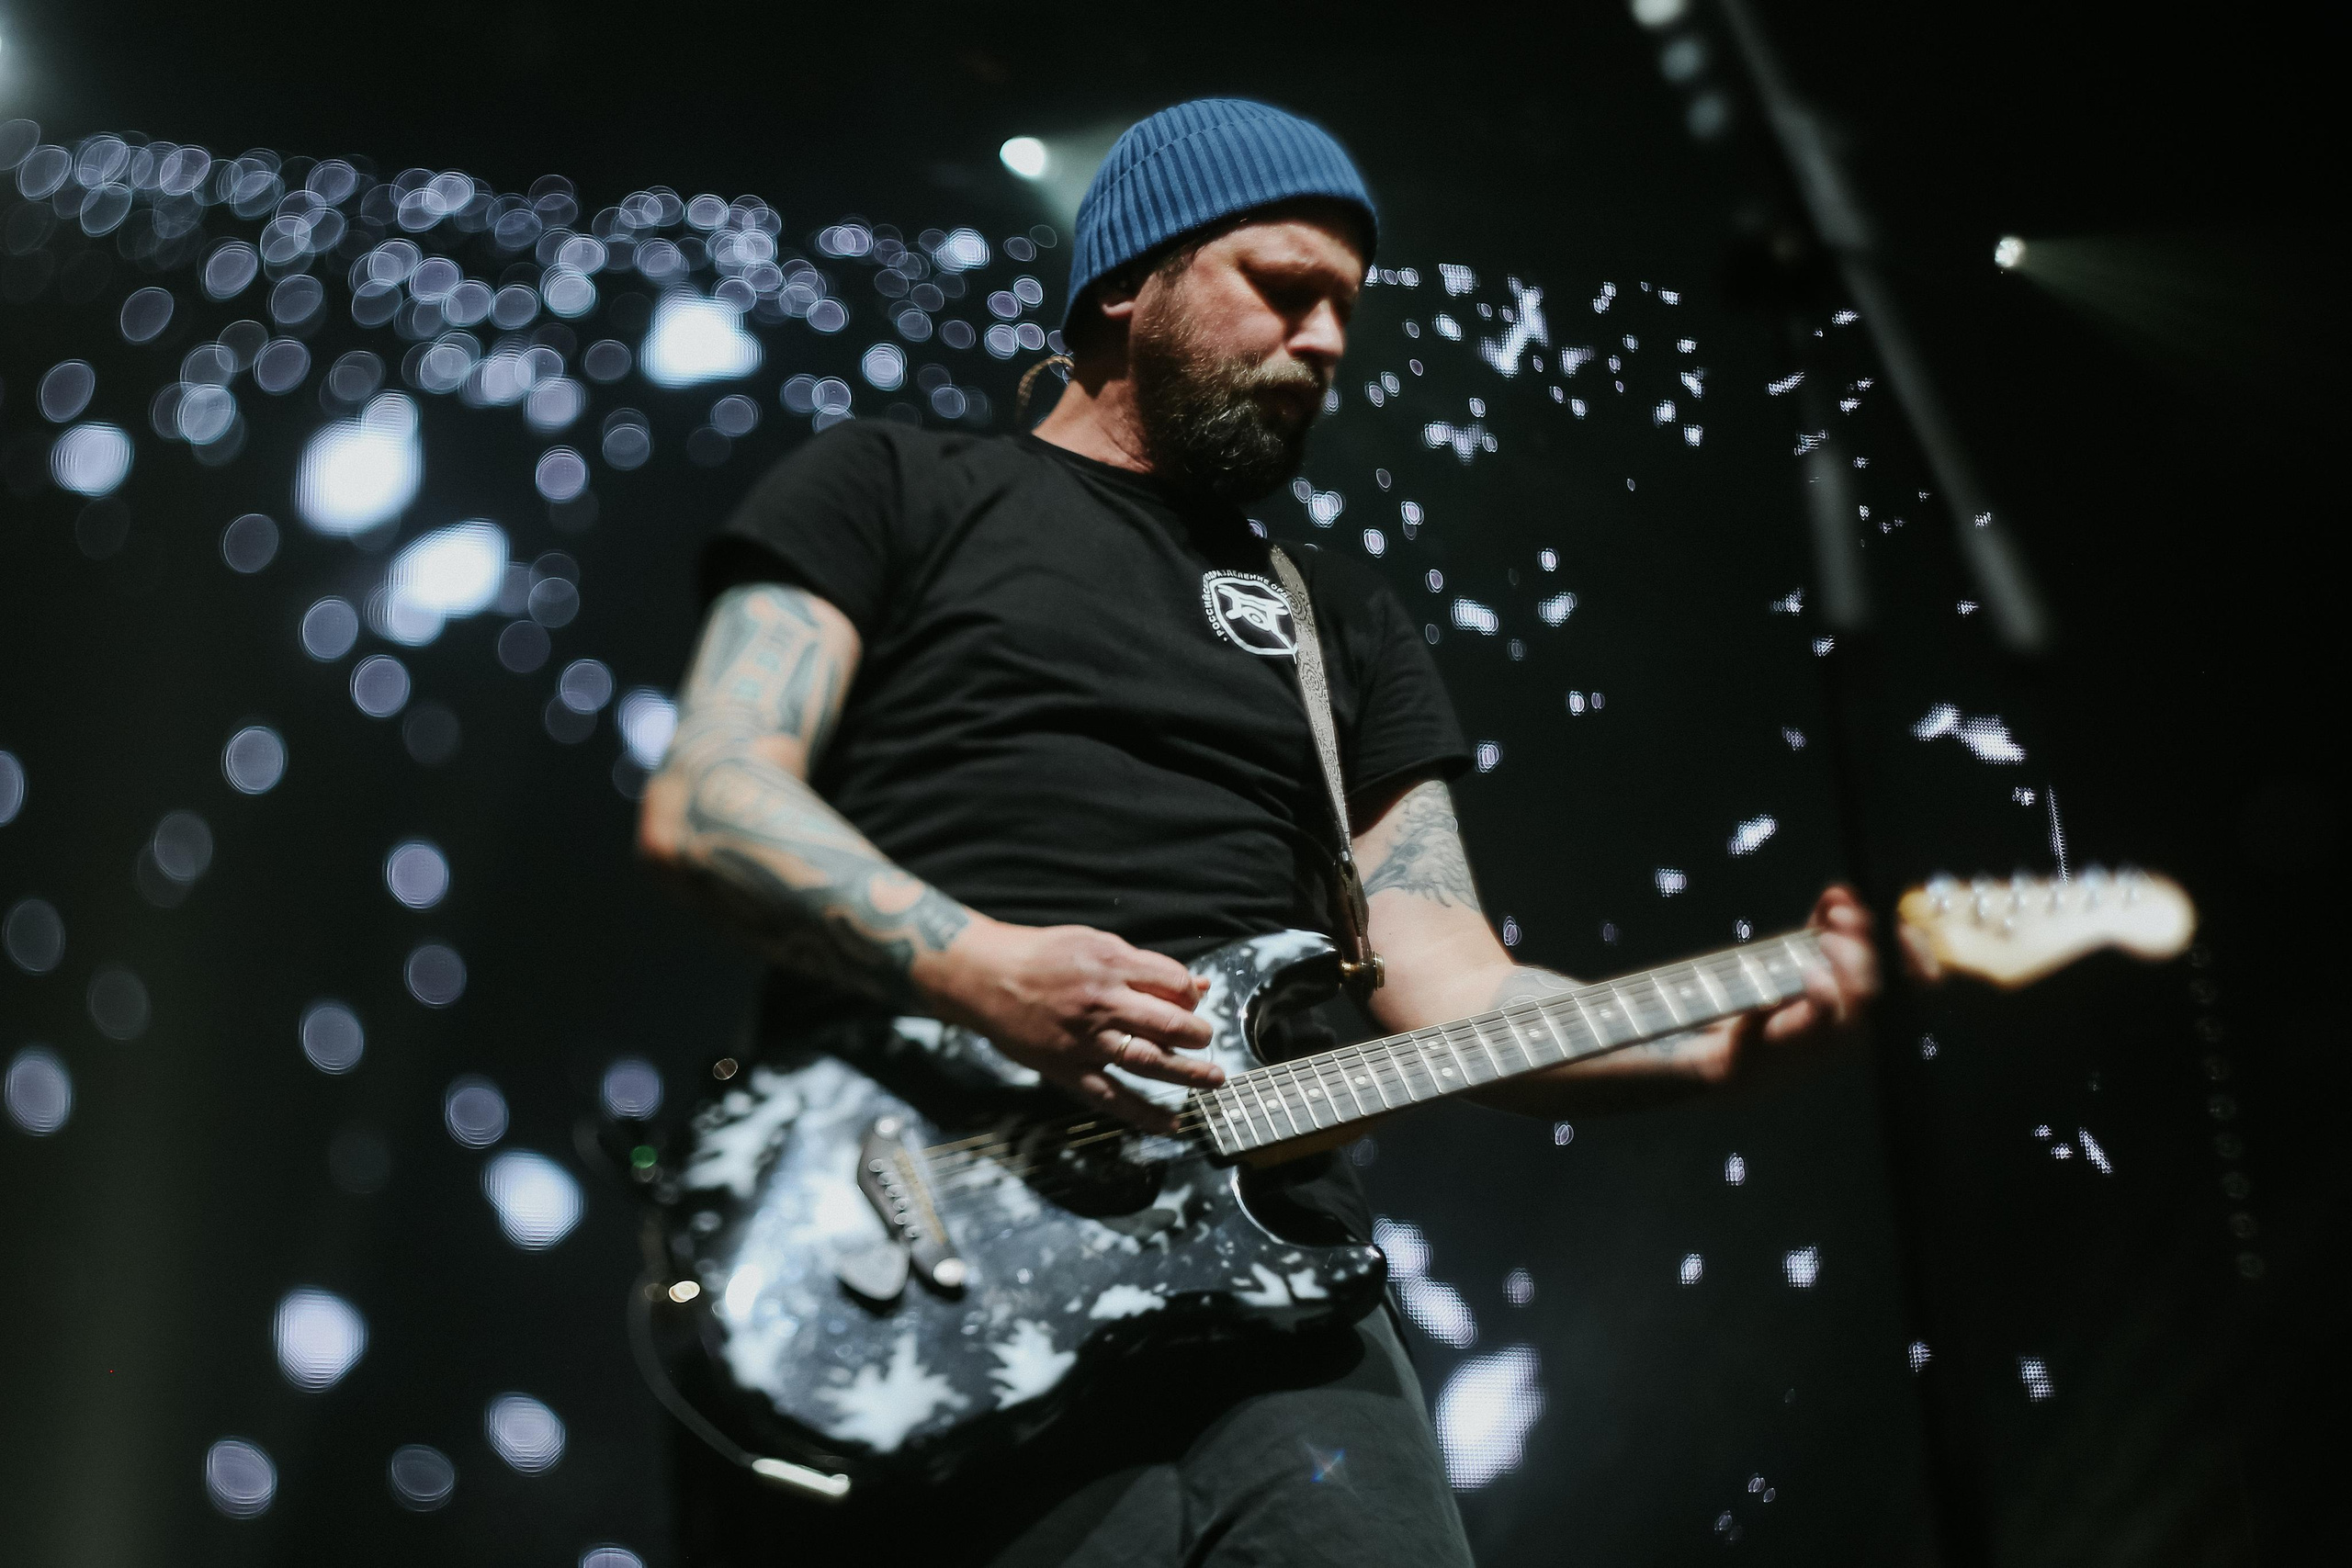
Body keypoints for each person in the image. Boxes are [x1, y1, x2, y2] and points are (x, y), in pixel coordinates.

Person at [639, 97, 1877, 1568]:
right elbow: (711, 798)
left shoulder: (1337, 621)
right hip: (926, 1253)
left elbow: (1454, 985)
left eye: (1347, 307)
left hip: (1271, 1279)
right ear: (1127, 280)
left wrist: (1715, 1046)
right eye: (1284, 288)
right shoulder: (893, 487)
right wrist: (985, 970)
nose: (1327, 339)